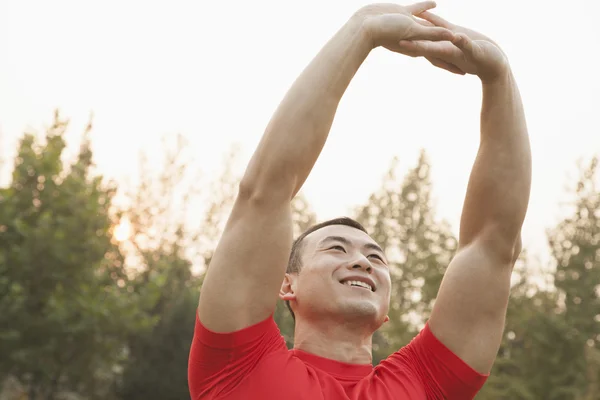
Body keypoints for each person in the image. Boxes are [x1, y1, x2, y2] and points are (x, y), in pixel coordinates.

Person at [188, 1, 531, 399]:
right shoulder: (238, 366)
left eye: (376, 257)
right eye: (336, 248)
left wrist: (499, 77)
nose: (362, 261)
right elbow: (266, 191)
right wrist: (361, 31)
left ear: (386, 309)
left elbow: (493, 243)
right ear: (286, 285)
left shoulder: (426, 384)